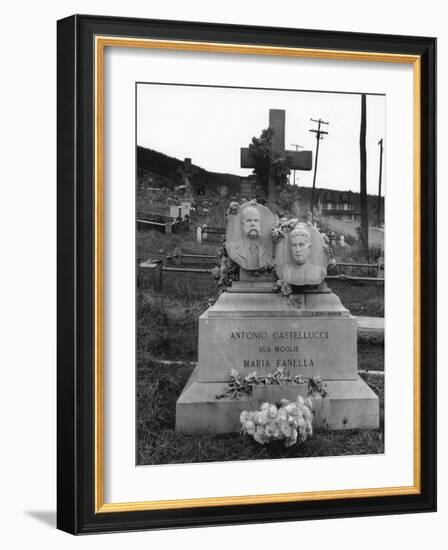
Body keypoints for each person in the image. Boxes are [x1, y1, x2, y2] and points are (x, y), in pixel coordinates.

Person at [226, 205, 272, 270]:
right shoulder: (232, 248)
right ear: (242, 224)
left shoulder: (268, 248)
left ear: (260, 224)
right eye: (249, 220)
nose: (253, 224)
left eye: (256, 220)